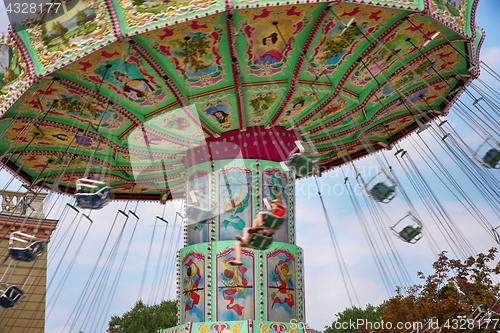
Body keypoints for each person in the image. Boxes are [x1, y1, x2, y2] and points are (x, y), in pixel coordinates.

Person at [228, 199, 286, 266]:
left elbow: (278, 201)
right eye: (272, 207)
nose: (272, 208)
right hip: (256, 240)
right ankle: (239, 259)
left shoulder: (280, 212)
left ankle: (258, 228)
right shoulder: (270, 217)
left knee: (259, 216)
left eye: (274, 206)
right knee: (239, 240)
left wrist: (272, 202)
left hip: (265, 234)